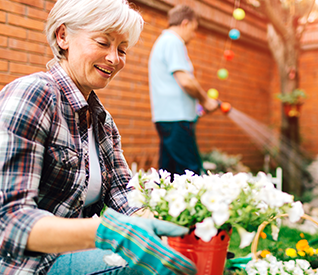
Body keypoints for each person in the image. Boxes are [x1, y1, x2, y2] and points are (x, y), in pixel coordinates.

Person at [0, 0, 197, 274]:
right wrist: (109, 232)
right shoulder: (34, 95)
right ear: (63, 36)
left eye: (122, 49)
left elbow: (124, 195)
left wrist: (175, 232)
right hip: (30, 265)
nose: (114, 58)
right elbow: (8, 221)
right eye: (103, 43)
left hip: (74, 257)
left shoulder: (102, 121)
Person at [148, 5, 219, 178]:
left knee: (168, 175)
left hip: (167, 118)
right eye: (193, 30)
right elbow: (186, 81)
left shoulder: (163, 42)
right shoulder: (173, 41)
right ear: (185, 23)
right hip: (177, 120)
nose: (193, 36)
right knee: (191, 174)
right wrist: (206, 100)